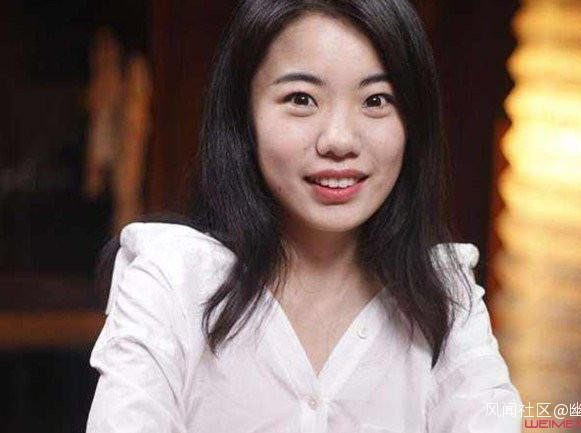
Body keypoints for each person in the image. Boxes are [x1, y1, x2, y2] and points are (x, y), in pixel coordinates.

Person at [85, 0, 522, 432]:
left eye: (375, 100)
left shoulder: (445, 297)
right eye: (301, 99)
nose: (339, 140)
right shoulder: (173, 282)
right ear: (244, 115)